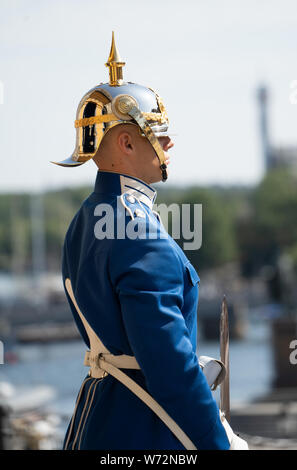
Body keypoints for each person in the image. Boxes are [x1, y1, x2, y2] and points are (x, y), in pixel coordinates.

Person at [52, 32, 248, 450]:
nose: (168, 142)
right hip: (146, 428)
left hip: (98, 416)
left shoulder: (85, 218)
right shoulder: (138, 230)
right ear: (125, 142)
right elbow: (170, 366)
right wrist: (218, 443)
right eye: (158, 133)